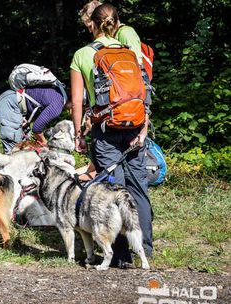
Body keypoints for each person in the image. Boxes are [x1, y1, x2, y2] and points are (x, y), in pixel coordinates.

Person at [70, 3, 153, 268]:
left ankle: (120, 255)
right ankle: (145, 249)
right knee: (137, 188)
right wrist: (143, 127)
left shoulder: (83, 54)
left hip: (105, 130)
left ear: (92, 24)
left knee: (112, 191)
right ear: (116, 22)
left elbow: (76, 102)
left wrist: (78, 136)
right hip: (134, 125)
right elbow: (142, 90)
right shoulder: (129, 51)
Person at [0, 87, 65, 154]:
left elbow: (36, 104)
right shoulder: (58, 105)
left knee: (25, 149)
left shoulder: (59, 92)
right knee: (14, 151)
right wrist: (44, 142)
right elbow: (37, 128)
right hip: (10, 102)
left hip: (21, 106)